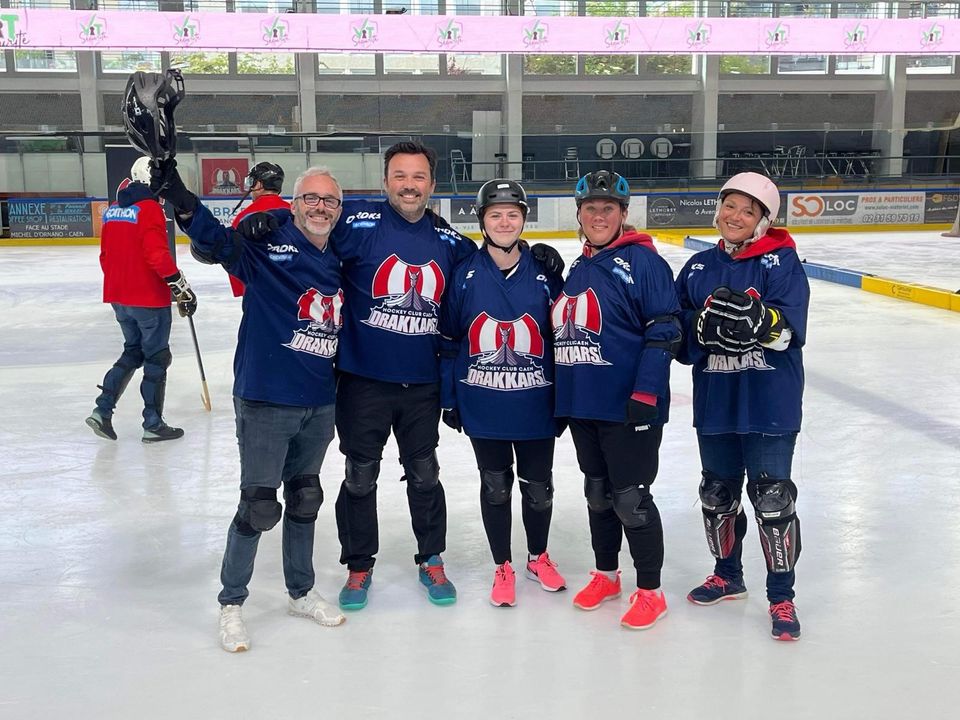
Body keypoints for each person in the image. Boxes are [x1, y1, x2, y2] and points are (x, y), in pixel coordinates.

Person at [150, 160, 347, 652]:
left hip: (320, 399)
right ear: (294, 203)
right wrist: (181, 198)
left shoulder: (344, 250)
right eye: (309, 199)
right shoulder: (264, 247)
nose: (320, 207)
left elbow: (383, 213)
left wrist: (275, 213)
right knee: (258, 505)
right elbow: (216, 242)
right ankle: (232, 602)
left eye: (329, 200)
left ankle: (300, 592)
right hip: (266, 397)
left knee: (305, 497)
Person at [329, 141, 477, 610]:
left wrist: (537, 260)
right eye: (400, 175)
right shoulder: (356, 223)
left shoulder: (451, 243)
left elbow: (492, 275)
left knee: (424, 473)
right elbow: (307, 231)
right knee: (359, 476)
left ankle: (431, 557)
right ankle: (358, 565)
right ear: (385, 181)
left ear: (432, 185)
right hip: (362, 380)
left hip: (422, 383)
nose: (409, 185)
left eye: (418, 177)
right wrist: (269, 219)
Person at [675, 171, 809, 642]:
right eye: (729, 206)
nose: (735, 216)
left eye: (747, 211)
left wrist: (762, 322)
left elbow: (790, 332)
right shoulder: (697, 268)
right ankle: (727, 574)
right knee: (717, 494)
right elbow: (677, 334)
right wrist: (696, 329)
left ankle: (781, 595)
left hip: (770, 403)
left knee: (773, 500)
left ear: (762, 220)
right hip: (716, 401)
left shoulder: (782, 263)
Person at [553, 170, 681, 631]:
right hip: (585, 403)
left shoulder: (644, 263)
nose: (599, 215)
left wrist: (646, 391)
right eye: (591, 208)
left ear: (623, 214)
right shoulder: (581, 266)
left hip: (630, 406)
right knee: (598, 493)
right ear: (580, 215)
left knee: (631, 499)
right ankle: (606, 575)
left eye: (608, 208)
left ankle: (651, 592)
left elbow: (665, 329)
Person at [439, 179, 566, 607]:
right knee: (495, 487)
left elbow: (563, 339)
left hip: (536, 403)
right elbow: (449, 341)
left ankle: (537, 557)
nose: (505, 222)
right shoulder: (464, 275)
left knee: (538, 488)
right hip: (483, 403)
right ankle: (502, 565)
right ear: (482, 221)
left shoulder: (546, 274)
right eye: (496, 215)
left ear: (524, 219)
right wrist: (448, 398)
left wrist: (566, 399)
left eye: (513, 214)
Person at [85, 155, 195, 443]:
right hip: (148, 299)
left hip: (119, 297)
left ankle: (102, 410)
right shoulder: (149, 209)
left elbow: (105, 256)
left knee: (133, 351)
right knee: (157, 357)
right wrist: (179, 285)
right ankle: (153, 423)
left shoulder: (112, 210)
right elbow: (157, 254)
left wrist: (120, 285)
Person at [227, 162, 289, 297]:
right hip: (294, 291)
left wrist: (242, 290)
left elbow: (234, 257)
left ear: (259, 184)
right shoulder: (293, 212)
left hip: (258, 294)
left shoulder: (243, 218)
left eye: (251, 182)